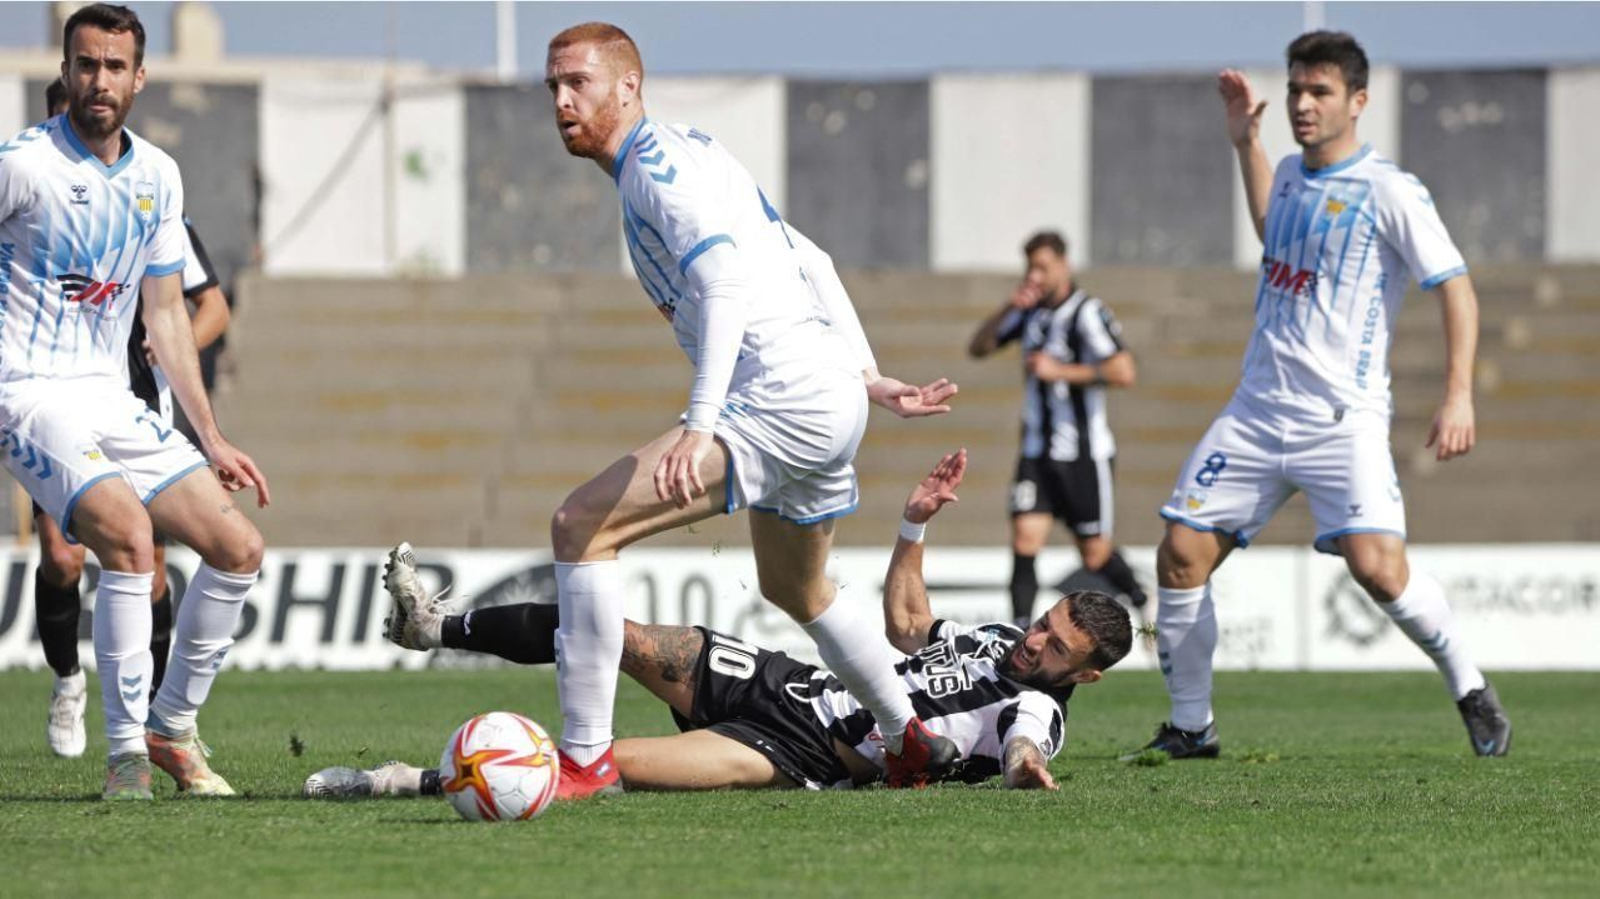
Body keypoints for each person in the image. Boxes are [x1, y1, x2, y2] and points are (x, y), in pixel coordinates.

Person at [510, 22, 960, 796]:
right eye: (552, 85)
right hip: (826, 395)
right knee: (800, 588)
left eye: (577, 82)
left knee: (580, 525)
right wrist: (869, 377)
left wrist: (702, 418)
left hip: (778, 394)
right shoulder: (691, 151)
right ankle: (908, 738)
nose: (561, 101)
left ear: (628, 86)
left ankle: (583, 761)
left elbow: (722, 283)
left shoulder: (655, 169)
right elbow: (808, 257)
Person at [309, 450, 1133, 797]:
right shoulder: (996, 638)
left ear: (1083, 673)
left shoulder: (1043, 710)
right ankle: (433, 628)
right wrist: (914, 524)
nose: (1034, 641)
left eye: (1056, 646)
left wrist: (1024, 768)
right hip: (785, 681)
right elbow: (909, 622)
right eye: (1044, 623)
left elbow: (1024, 744)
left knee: (600, 766)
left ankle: (398, 779)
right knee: (602, 626)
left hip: (799, 753)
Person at [1126, 31, 1511, 761]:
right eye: (1297, 90)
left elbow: (1454, 286)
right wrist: (1248, 144)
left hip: (1342, 420)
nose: (1303, 104)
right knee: (1180, 553)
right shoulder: (1296, 176)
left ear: (1358, 101)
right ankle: (1191, 726)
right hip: (1256, 409)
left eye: (1320, 92)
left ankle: (1470, 686)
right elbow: (1279, 237)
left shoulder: (1390, 190)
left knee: (1379, 569)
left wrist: (1459, 393)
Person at [0, 3, 270, 800]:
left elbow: (166, 314)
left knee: (237, 547)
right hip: (27, 392)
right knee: (125, 534)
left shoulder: (157, 176)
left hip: (114, 399)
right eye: (86, 65)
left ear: (139, 77)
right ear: (66, 70)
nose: (100, 81)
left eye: (116, 67)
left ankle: (170, 727)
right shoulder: (21, 164)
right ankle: (124, 758)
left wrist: (211, 435)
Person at [34, 77, 233, 761]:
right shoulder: (30, 200)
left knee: (149, 565)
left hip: (135, 401)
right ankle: (69, 683)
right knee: (63, 557)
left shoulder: (153, 197)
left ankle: (156, 720)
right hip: (48, 404)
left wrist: (167, 345)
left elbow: (206, 306)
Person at [968, 230, 1145, 627]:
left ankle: (1143, 599)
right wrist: (1007, 307)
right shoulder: (1028, 312)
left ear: (1064, 266)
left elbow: (1124, 370)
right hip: (1036, 451)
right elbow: (977, 347)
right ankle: (1016, 634)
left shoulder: (1087, 312)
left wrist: (1059, 371)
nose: (1035, 275)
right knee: (1024, 540)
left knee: (1095, 554)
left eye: (1043, 267)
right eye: (1030, 266)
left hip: (1083, 454)